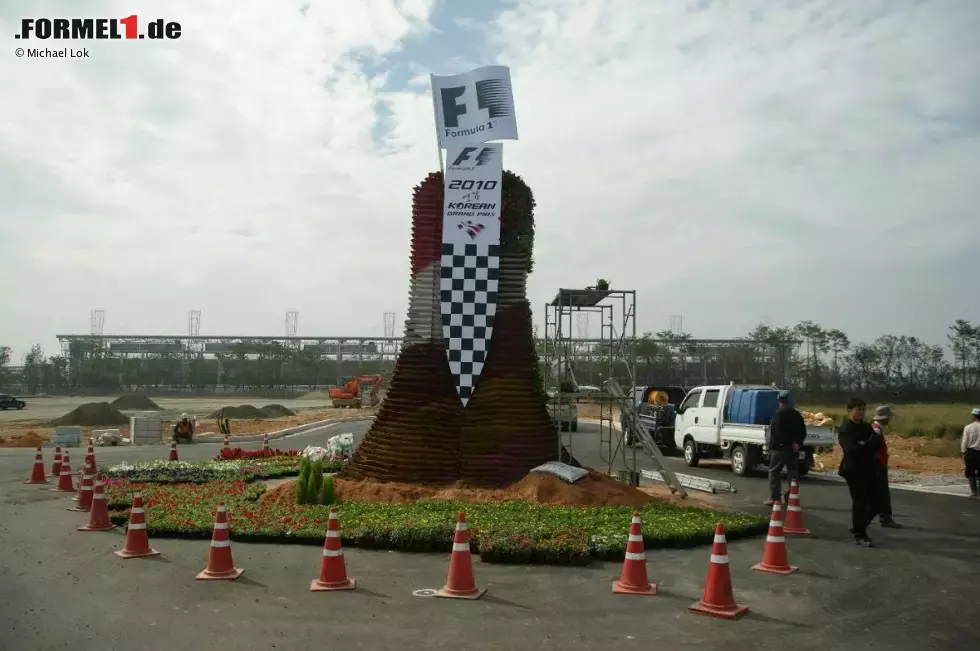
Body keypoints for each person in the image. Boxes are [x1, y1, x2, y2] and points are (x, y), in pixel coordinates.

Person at [837, 397, 882, 547]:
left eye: (863, 409)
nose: (861, 412)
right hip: (853, 470)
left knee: (877, 503)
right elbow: (851, 450)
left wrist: (865, 444)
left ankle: (858, 525)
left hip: (869, 468)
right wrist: (866, 444)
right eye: (858, 409)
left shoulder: (866, 427)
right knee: (860, 502)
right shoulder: (845, 429)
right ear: (850, 411)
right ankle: (859, 534)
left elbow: (877, 442)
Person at [765, 390, 807, 506]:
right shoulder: (796, 414)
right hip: (794, 449)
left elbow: (776, 432)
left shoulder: (778, 414)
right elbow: (803, 431)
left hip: (780, 449)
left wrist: (774, 445)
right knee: (793, 473)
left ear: (779, 401)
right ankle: (791, 498)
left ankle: (775, 499)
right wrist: (798, 443)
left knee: (774, 472)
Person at [871, 406, 901, 528]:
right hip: (878, 464)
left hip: (878, 463)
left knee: (878, 492)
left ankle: (884, 516)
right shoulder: (877, 431)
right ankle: (885, 518)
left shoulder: (877, 428)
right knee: (882, 493)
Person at [962, 408, 980, 500]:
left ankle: (974, 493)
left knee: (970, 473)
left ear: (973, 416)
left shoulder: (968, 427)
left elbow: (965, 441)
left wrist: (963, 451)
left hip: (971, 452)